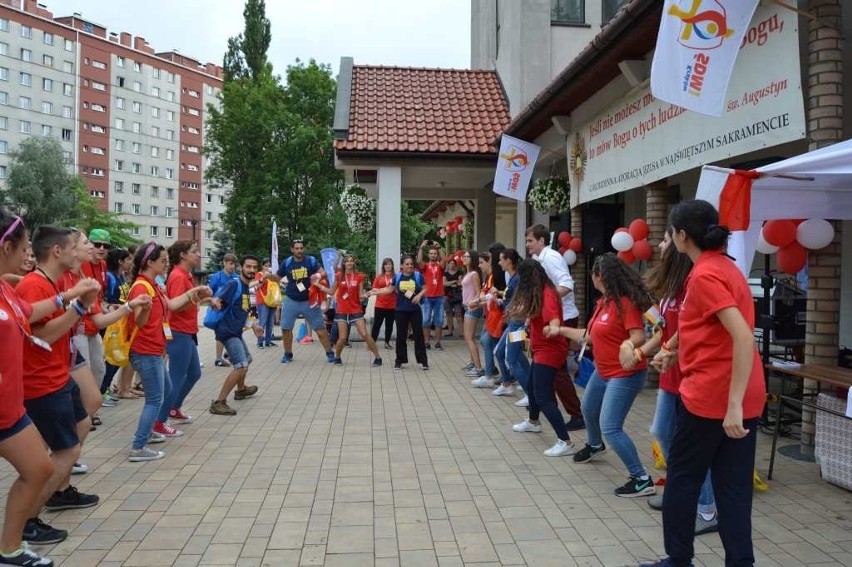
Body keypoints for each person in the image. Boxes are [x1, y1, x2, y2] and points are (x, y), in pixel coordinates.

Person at [642, 200, 766, 567]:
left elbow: (743, 337)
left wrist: (732, 407)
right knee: (733, 491)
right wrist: (673, 350)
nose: (666, 243)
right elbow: (707, 330)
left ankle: (678, 559)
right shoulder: (725, 268)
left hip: (714, 399)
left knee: (682, 481)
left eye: (669, 235)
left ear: (682, 236)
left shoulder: (706, 275)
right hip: (739, 394)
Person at [16, 226, 102, 544]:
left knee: (79, 428)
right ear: (57, 251)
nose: (82, 250)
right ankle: (26, 521)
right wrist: (78, 306)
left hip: (57, 376)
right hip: (41, 383)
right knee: (65, 451)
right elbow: (44, 335)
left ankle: (57, 491)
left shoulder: (50, 282)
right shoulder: (35, 284)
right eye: (75, 245)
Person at [547, 253, 656, 497]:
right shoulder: (603, 303)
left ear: (600, 277)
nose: (593, 280)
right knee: (588, 408)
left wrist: (628, 345)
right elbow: (589, 335)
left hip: (625, 374)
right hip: (603, 370)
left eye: (593, 276)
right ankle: (595, 445)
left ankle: (641, 479)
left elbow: (638, 335)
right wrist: (560, 331)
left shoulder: (625, 303)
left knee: (611, 426)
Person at [639, 228, 718, 535]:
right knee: (664, 434)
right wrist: (644, 351)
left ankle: (708, 509)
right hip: (670, 377)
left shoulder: (693, 283)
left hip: (691, 377)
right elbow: (662, 328)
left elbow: (691, 329)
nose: (659, 244)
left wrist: (668, 350)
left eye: (666, 239)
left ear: (682, 242)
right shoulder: (672, 286)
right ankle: (678, 492)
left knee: (690, 447)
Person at [0, 212, 62, 565]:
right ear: (6, 246)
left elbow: (28, 311)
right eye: (23, 248)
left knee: (40, 468)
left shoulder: (6, 288)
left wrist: (66, 298)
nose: (28, 255)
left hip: (10, 409)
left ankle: (8, 549)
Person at [126, 242, 210, 461]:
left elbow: (171, 306)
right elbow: (139, 322)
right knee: (154, 399)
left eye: (166, 260)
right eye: (162, 261)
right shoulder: (142, 287)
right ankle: (138, 447)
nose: (166, 264)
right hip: (145, 351)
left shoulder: (153, 285)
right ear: (149, 262)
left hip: (154, 349)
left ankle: (149, 433)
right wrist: (143, 309)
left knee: (167, 387)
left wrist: (193, 292)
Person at [509, 260, 575, 457]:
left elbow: (553, 320)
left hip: (550, 350)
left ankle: (565, 441)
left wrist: (553, 327)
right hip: (542, 349)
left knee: (543, 396)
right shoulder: (541, 292)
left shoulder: (547, 295)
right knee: (531, 386)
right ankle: (533, 421)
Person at [526, 224, 585, 430]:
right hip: (551, 318)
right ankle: (538, 412)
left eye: (530, 241)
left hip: (563, 318)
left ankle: (576, 415)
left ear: (542, 241)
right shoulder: (538, 260)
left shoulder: (550, 258)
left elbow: (566, 285)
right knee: (541, 368)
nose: (527, 245)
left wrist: (544, 302)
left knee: (556, 370)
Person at [161, 240, 211, 429]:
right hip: (178, 332)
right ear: (183, 255)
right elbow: (175, 307)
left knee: (194, 373)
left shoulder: (185, 276)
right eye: (194, 251)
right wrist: (197, 297)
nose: (198, 255)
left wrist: (204, 297)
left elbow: (186, 303)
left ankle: (174, 407)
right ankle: (159, 421)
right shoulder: (178, 276)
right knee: (175, 377)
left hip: (187, 331)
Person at [209, 255, 263, 415]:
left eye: (254, 267)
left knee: (248, 359)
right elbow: (217, 300)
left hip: (236, 331)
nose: (251, 270)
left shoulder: (245, 287)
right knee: (241, 366)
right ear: (241, 267)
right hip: (227, 332)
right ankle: (219, 402)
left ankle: (241, 390)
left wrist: (253, 325)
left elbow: (242, 310)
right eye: (248, 267)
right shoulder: (234, 284)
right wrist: (216, 303)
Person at [267, 239, 334, 363]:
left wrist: (318, 276)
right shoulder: (287, 263)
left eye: (301, 248)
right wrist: (267, 276)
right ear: (292, 249)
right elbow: (276, 278)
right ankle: (287, 354)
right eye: (296, 248)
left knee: (320, 328)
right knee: (286, 328)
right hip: (291, 300)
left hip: (309, 301)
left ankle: (329, 353)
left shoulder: (311, 261)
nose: (299, 250)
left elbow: (324, 273)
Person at [321, 254, 382, 366]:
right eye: (347, 261)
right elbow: (331, 291)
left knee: (364, 334)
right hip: (342, 311)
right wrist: (318, 285)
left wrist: (367, 295)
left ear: (354, 263)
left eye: (351, 261)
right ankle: (338, 357)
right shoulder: (339, 275)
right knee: (343, 337)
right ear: (343, 263)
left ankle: (378, 357)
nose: (349, 263)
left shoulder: (359, 276)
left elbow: (360, 295)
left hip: (355, 310)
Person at [372, 255, 428, 370]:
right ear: (402, 266)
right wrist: (374, 292)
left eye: (411, 264)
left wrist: (419, 295)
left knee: (418, 335)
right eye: (407, 264)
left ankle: (423, 361)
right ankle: (399, 360)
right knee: (401, 336)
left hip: (415, 310)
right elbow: (389, 289)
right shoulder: (397, 277)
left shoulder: (417, 276)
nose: (410, 266)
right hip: (400, 310)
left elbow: (425, 288)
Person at [492, 249, 526, 398]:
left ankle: (529, 392)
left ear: (509, 261)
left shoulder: (517, 279)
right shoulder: (513, 279)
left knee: (511, 358)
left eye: (501, 259)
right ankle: (508, 384)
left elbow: (516, 302)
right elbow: (510, 299)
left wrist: (501, 304)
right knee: (505, 353)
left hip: (518, 323)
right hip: (514, 322)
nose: (499, 263)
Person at [208, 253, 239, 367]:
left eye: (234, 264)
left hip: (232, 312)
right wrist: (213, 303)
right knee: (220, 334)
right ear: (224, 263)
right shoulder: (217, 277)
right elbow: (209, 293)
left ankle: (229, 353)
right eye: (230, 264)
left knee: (234, 332)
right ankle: (218, 358)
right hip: (220, 311)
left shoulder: (235, 277)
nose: (232, 266)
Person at [416, 240, 446, 350]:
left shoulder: (440, 266)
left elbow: (444, 260)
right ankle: (426, 342)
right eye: (431, 253)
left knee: (439, 321)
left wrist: (439, 248)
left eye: (435, 253)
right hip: (427, 296)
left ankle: (438, 343)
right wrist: (421, 248)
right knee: (426, 320)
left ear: (436, 255)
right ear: (428, 255)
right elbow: (419, 261)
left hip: (439, 296)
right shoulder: (426, 266)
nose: (433, 255)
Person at [460, 250, 483, 377]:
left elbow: (479, 292)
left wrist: (473, 303)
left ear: (472, 258)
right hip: (467, 306)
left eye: (467, 256)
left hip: (472, 307)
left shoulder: (474, 274)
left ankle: (478, 367)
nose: (464, 258)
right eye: (464, 256)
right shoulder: (468, 273)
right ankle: (473, 362)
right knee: (469, 337)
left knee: (468, 337)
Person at [370, 258, 396, 350]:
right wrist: (386, 290)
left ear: (392, 266)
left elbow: (396, 290)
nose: (388, 266)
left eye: (389, 264)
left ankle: (387, 343)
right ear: (383, 266)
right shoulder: (379, 277)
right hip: (380, 305)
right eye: (386, 264)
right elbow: (373, 289)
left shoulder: (396, 277)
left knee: (389, 325)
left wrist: (385, 290)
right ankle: (372, 343)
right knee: (377, 324)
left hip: (392, 305)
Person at [254, 258, 279, 349]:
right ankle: (260, 341)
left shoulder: (272, 276)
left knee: (270, 322)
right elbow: (258, 286)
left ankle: (268, 341)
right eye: (266, 266)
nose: (268, 268)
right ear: (262, 266)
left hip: (272, 301)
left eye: (269, 266)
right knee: (263, 322)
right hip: (262, 301)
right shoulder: (259, 274)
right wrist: (264, 277)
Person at [443, 258, 463, 337]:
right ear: (448, 265)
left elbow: (460, 283)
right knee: (448, 314)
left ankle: (462, 332)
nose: (452, 265)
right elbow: (444, 283)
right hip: (447, 295)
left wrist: (452, 283)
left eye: (453, 264)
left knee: (458, 314)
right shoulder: (445, 274)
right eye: (450, 263)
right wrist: (454, 281)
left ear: (456, 265)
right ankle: (450, 331)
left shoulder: (459, 272)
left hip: (457, 295)